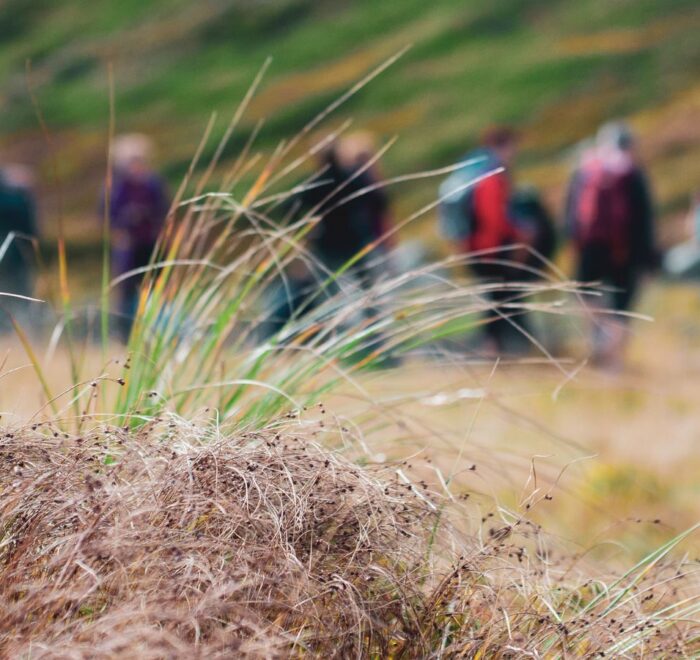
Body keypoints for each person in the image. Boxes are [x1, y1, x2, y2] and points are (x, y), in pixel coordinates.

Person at [566, 121, 657, 367]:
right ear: (630, 145)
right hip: (624, 251)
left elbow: (571, 215)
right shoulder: (632, 173)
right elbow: (644, 220)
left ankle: (597, 340)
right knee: (623, 308)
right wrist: (648, 260)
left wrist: (575, 245)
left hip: (589, 248)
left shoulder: (585, 170)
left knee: (587, 296)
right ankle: (615, 363)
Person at [439, 125, 534, 354]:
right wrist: (519, 233)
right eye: (512, 147)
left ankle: (500, 348)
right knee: (499, 298)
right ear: (503, 146)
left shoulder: (480, 170)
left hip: (477, 247)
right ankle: (493, 349)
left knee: (498, 297)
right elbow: (494, 218)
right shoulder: (491, 175)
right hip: (490, 248)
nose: (515, 152)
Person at [102, 134, 169, 340]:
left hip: (152, 245)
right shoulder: (116, 187)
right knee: (126, 294)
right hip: (128, 248)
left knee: (156, 290)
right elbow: (107, 216)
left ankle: (155, 333)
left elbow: (165, 211)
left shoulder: (153, 184)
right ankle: (125, 335)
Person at [0, 166, 38, 333]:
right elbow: (30, 230)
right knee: (19, 297)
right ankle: (21, 333)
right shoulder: (17, 199)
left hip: (13, 256)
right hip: (16, 255)